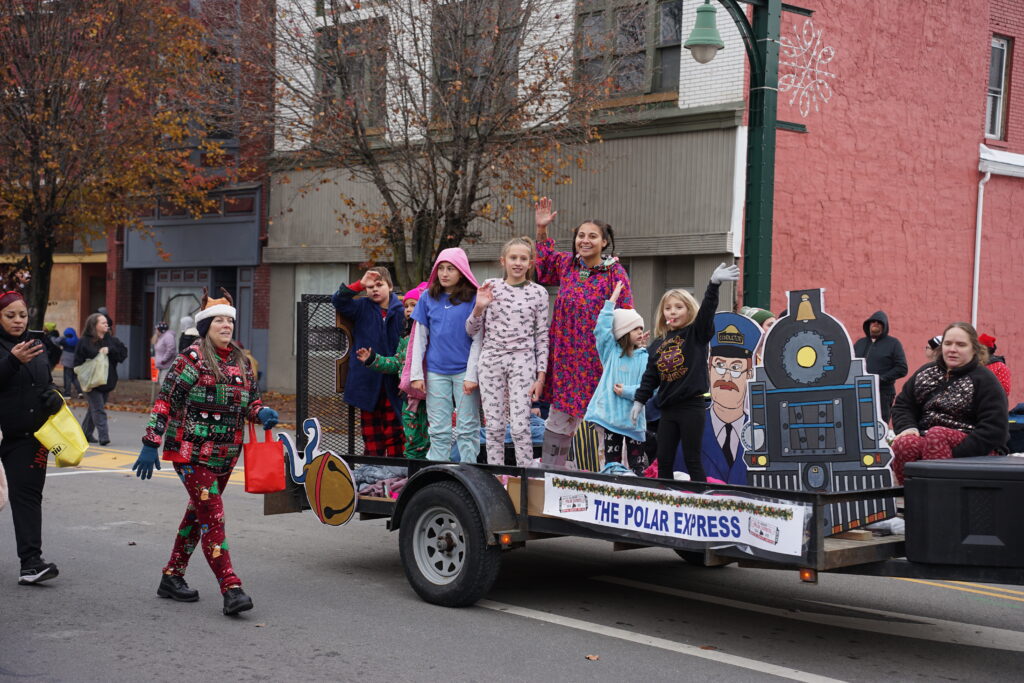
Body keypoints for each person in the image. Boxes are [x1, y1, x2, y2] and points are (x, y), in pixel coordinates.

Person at [132, 288, 278, 616]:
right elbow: (165, 400)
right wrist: (150, 441)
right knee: (213, 516)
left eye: (230, 320)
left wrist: (261, 412)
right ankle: (231, 587)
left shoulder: (241, 361)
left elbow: (250, 401)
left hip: (226, 454)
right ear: (205, 325)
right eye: (219, 320)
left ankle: (172, 576)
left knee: (197, 516)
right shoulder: (192, 359)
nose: (226, 325)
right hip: (191, 452)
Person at [533, 197, 633, 465]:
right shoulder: (567, 265)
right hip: (566, 358)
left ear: (604, 242)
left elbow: (626, 316)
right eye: (580, 235)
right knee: (559, 416)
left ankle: (601, 478)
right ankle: (553, 474)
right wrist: (542, 230)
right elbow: (541, 269)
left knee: (598, 420)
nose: (585, 240)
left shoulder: (615, 273)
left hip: (597, 360)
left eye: (592, 236)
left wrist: (625, 354)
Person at [630, 263, 741, 481]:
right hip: (668, 409)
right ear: (663, 313)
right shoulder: (658, 344)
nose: (673, 311)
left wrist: (713, 285)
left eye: (679, 307)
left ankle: (701, 506)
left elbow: (707, 312)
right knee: (664, 460)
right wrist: (639, 401)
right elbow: (650, 378)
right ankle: (665, 501)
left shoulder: (695, 334)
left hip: (692, 406)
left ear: (688, 309)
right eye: (668, 307)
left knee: (692, 459)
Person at [890, 322, 1009, 484]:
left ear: (974, 349)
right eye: (948, 343)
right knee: (905, 443)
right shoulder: (925, 373)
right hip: (929, 440)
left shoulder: (985, 380)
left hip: (974, 447)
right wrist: (907, 427)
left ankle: (941, 498)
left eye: (961, 345)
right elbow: (903, 405)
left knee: (937, 435)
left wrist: (955, 453)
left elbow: (995, 429)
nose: (952, 349)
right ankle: (913, 497)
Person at [468, 237, 550, 466]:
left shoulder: (539, 293)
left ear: (530, 263)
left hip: (522, 360)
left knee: (520, 426)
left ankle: (525, 478)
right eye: (513, 258)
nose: (518, 263)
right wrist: (479, 307)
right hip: (491, 360)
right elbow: (471, 330)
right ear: (503, 261)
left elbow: (542, 336)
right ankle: (496, 476)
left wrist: (540, 376)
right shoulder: (490, 286)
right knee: (494, 426)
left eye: (523, 258)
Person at [0, 290, 64, 584]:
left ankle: (31, 563)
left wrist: (52, 397)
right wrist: (12, 361)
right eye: (10, 315)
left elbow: (45, 382)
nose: (17, 321)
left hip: (29, 437)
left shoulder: (36, 344)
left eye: (22, 315)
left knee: (27, 497)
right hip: (2, 433)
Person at [410, 248, 482, 463]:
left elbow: (479, 338)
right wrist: (416, 374)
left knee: (467, 429)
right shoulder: (427, 298)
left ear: (462, 271)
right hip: (435, 373)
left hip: (465, 375)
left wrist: (472, 376)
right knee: (439, 429)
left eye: (450, 268)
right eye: (441, 268)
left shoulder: (474, 298)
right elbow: (419, 338)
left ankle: (469, 473)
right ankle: (437, 472)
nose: (444, 273)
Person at [333, 268, 406, 457]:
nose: (374, 289)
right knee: (371, 433)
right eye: (370, 287)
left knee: (395, 430)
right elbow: (339, 301)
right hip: (366, 380)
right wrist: (359, 284)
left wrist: (406, 379)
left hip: (393, 379)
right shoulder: (362, 306)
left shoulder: (401, 310)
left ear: (390, 287)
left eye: (379, 285)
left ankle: (396, 471)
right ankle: (372, 471)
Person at [355, 282, 430, 459]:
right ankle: (412, 471)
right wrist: (373, 360)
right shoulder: (405, 337)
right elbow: (398, 362)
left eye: (414, 305)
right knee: (411, 436)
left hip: (428, 395)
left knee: (429, 435)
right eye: (406, 306)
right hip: (409, 396)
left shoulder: (431, 335)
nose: (409, 310)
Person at [584, 281, 648, 471]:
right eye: (635, 328)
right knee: (611, 465)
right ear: (624, 332)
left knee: (638, 467)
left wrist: (627, 391)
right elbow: (601, 330)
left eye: (641, 328)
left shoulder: (644, 357)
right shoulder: (611, 352)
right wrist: (611, 301)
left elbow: (648, 387)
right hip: (611, 421)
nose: (640, 332)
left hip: (634, 423)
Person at [692, 312, 762, 484]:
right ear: (709, 368)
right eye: (720, 366)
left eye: (736, 367)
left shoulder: (762, 431)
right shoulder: (691, 428)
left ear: (750, 374)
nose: (727, 378)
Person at [74, 312, 127, 446]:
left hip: (106, 381)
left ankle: (85, 433)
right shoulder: (85, 341)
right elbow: (77, 362)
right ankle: (104, 436)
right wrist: (97, 354)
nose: (106, 325)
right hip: (91, 382)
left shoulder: (112, 341)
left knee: (95, 408)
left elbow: (122, 354)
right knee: (98, 409)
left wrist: (109, 350)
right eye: (103, 323)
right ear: (94, 325)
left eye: (106, 323)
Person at [852, 311, 907, 423]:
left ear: (885, 326)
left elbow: (902, 368)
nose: (875, 324)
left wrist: (880, 379)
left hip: (883, 393)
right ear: (868, 324)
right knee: (859, 422)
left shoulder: (893, 343)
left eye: (879, 322)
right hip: (859, 391)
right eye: (873, 322)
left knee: (880, 423)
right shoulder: (860, 343)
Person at [978, 333, 1011, 397]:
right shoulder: (973, 365)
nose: (978, 356)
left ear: (989, 352)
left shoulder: (1000, 367)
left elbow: (1004, 391)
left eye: (982, 352)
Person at [58, 327, 82, 397]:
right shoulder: (78, 340)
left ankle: (67, 393)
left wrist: (62, 337)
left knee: (67, 377)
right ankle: (80, 392)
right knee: (74, 377)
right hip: (75, 361)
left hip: (66, 362)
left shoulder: (65, 341)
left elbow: (57, 341)